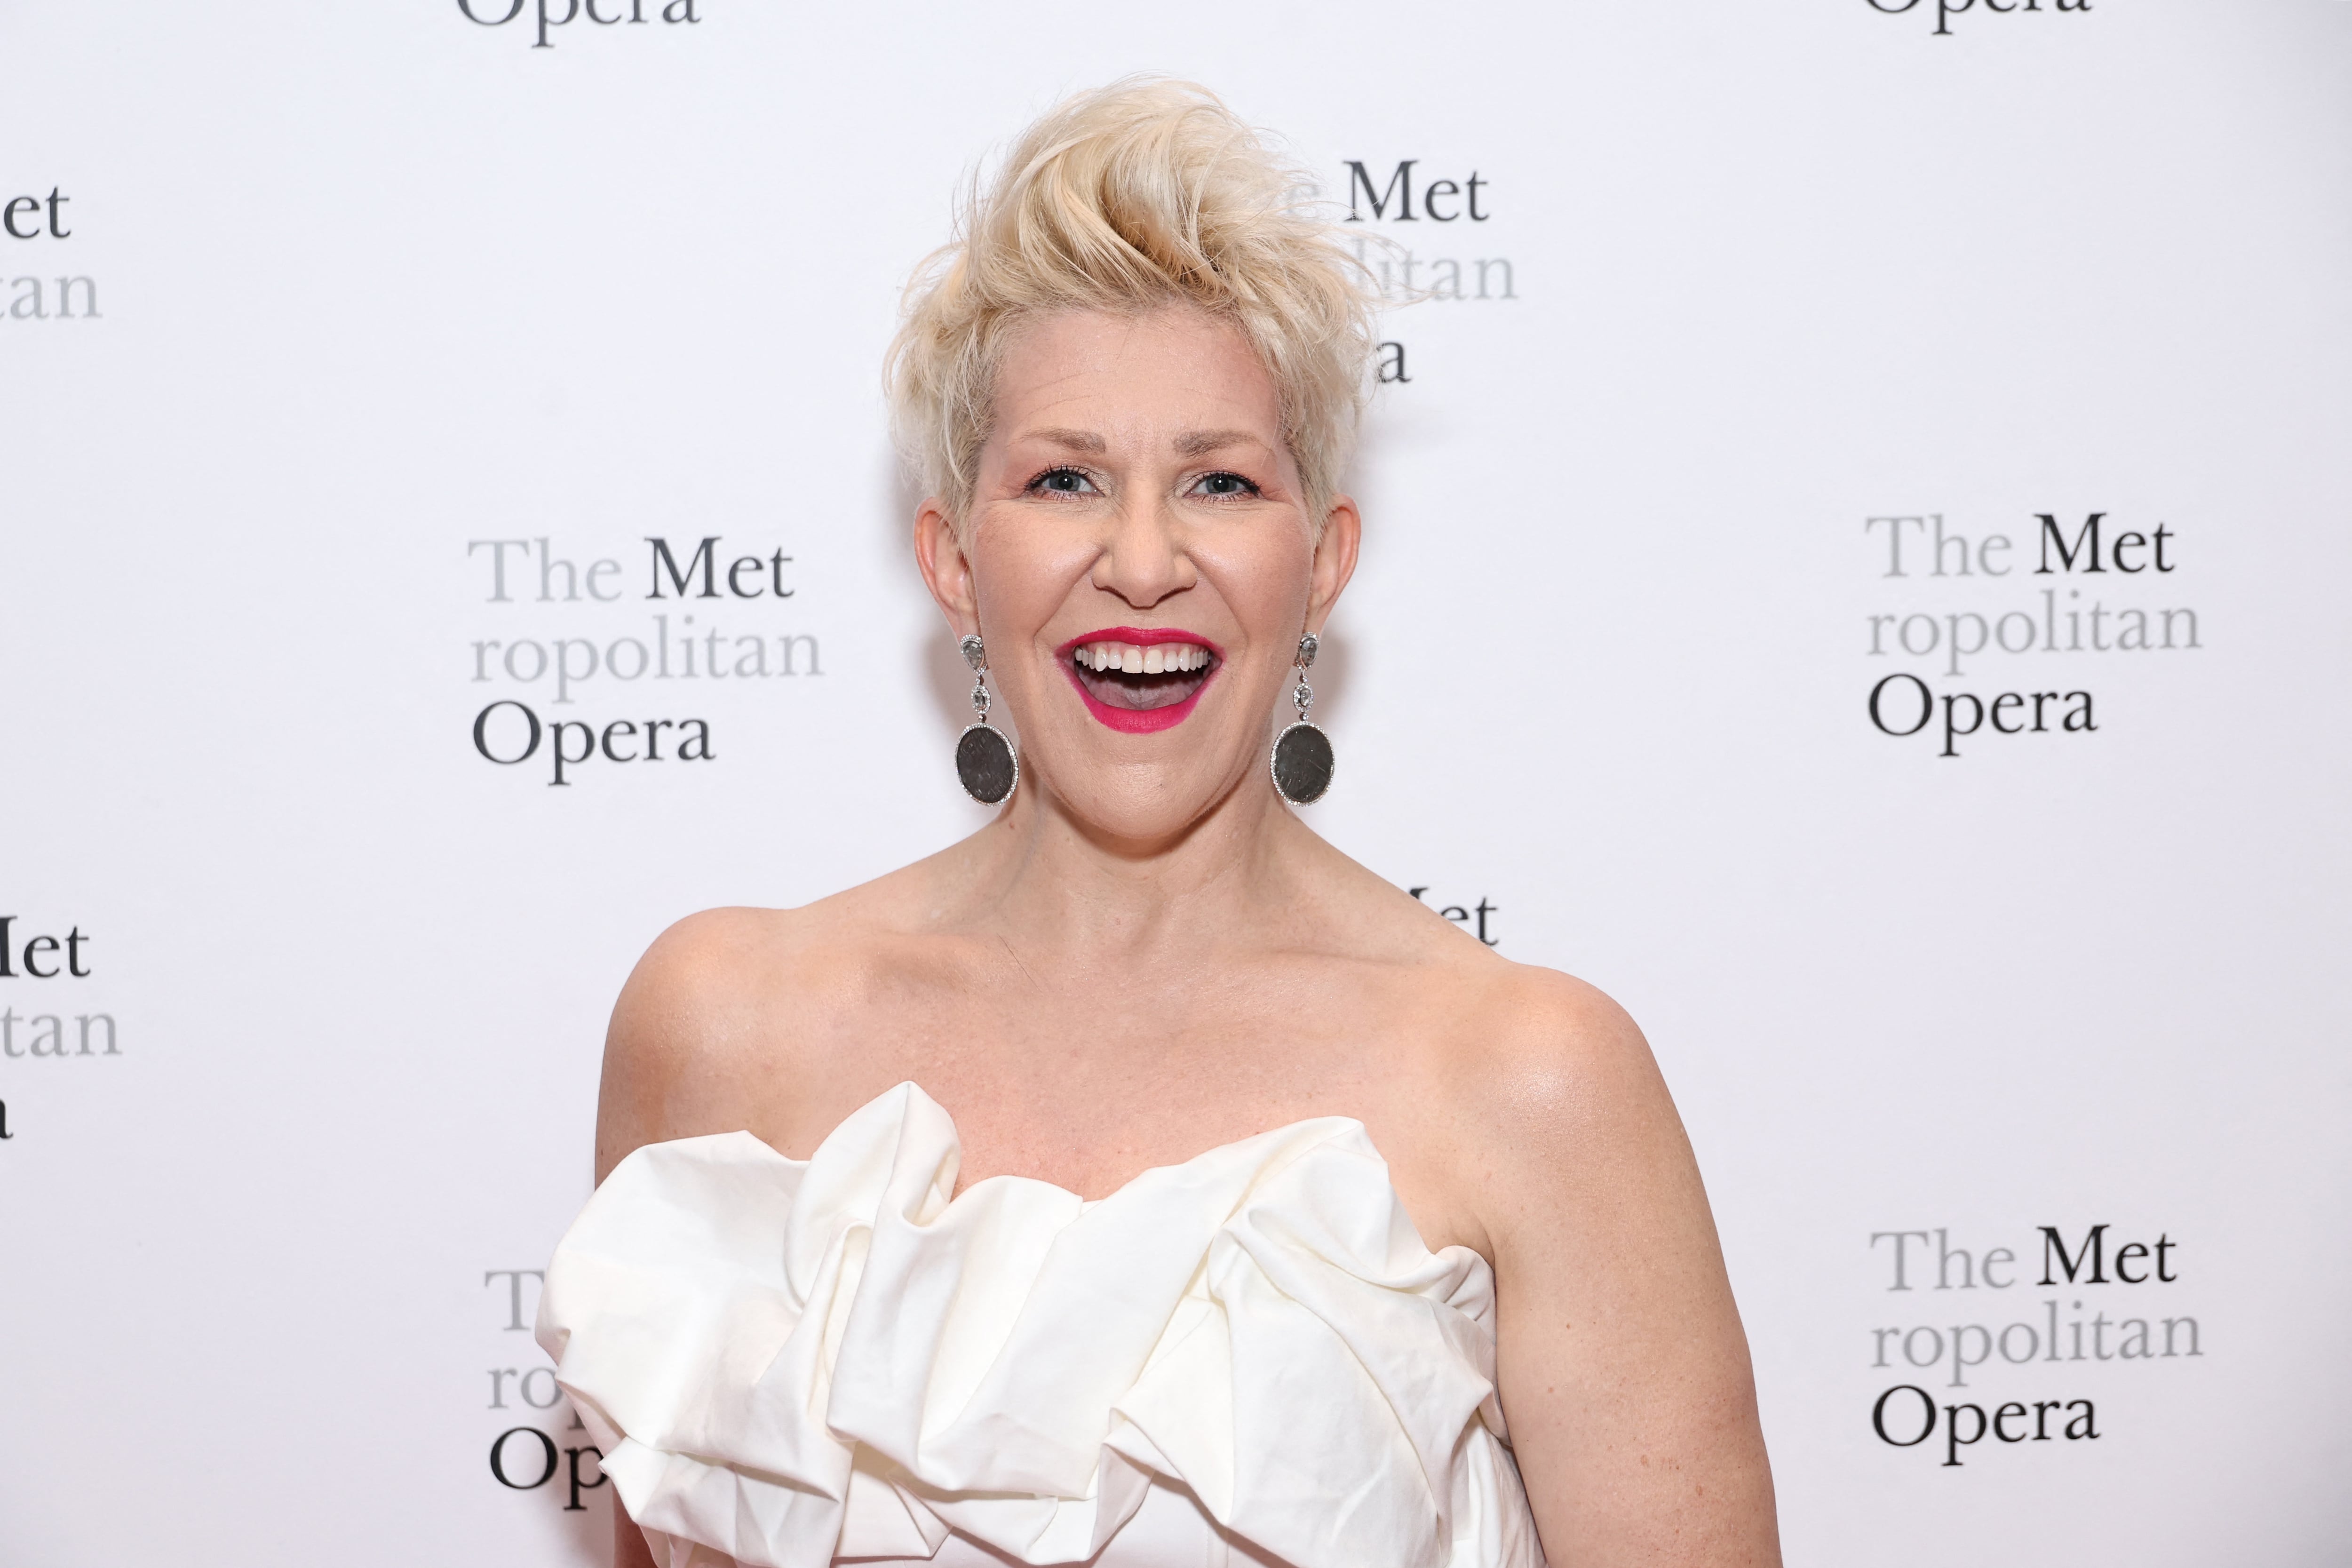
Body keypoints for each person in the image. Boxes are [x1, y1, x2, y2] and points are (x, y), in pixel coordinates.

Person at [538, 78, 1781, 1568]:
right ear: (953, 558)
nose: (1142, 560)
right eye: (1065, 479)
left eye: (1220, 481)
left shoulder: (1531, 1080)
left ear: (1322, 562)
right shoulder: (721, 1030)